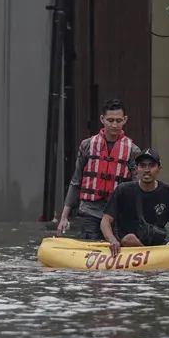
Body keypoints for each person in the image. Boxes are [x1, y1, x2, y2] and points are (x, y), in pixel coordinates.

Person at [57, 98, 141, 242]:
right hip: (90, 211)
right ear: (102, 119)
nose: (114, 125)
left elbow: (138, 187)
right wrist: (64, 217)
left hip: (117, 213)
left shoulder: (133, 151)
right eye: (110, 120)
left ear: (125, 120)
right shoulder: (87, 145)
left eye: (119, 121)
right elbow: (76, 181)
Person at [100, 149, 169, 255]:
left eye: (151, 166)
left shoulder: (166, 191)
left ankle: (153, 255)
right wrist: (113, 241)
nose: (147, 170)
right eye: (142, 166)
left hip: (159, 246)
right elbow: (105, 221)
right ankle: (149, 256)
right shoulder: (123, 190)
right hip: (130, 245)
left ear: (159, 169)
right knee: (130, 238)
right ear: (136, 169)